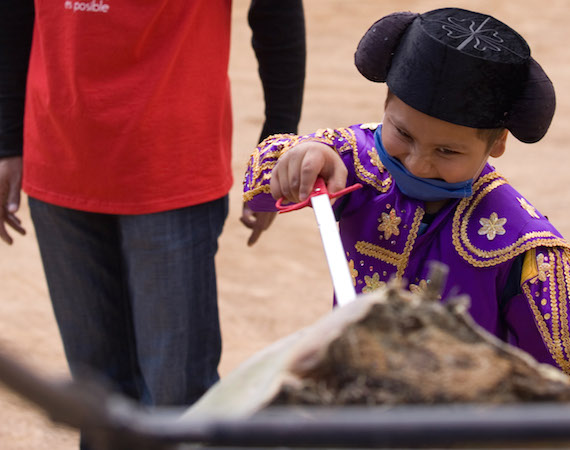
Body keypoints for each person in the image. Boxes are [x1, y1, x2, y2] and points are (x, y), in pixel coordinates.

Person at [0, 0, 305, 437]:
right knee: (96, 397)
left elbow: (277, 11)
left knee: (178, 400)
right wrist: (7, 140)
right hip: (61, 151)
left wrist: (275, 142)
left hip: (171, 166)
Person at [243, 7, 570, 375]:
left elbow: (557, 375)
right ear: (385, 106)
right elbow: (262, 183)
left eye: (447, 151)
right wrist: (303, 157)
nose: (416, 164)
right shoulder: (355, 160)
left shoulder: (523, 246)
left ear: (497, 145)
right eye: (402, 134)